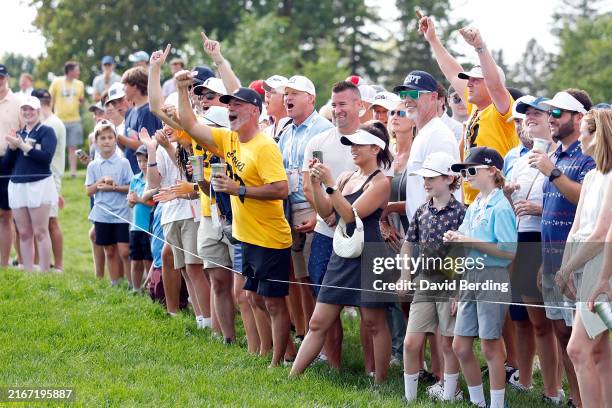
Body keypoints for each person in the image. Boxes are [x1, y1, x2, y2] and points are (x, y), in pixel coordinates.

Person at [177, 66, 292, 367]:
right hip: (245, 235)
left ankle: (278, 361)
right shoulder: (228, 140)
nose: (229, 109)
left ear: (254, 111)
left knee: (273, 302)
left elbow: (281, 189)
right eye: (227, 104)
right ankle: (273, 352)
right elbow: (189, 124)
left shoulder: (265, 146)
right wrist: (180, 90)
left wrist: (239, 190)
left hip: (270, 238)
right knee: (253, 298)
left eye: (237, 104)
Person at [291, 123, 393, 383]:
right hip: (344, 252)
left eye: (360, 144)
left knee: (374, 322)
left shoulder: (381, 182)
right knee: (318, 321)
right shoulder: (347, 176)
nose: (354, 149)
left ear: (376, 148)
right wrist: (316, 184)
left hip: (370, 254)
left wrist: (329, 184)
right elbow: (327, 213)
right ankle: (292, 378)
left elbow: (350, 215)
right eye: (352, 144)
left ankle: (380, 382)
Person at [530, 89, 595, 408]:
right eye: (549, 113)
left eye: (558, 113)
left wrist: (551, 172)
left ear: (579, 117)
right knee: (562, 334)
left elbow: (582, 198)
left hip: (581, 261)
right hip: (553, 257)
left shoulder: (590, 155)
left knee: (586, 341)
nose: (550, 119)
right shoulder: (554, 155)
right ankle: (577, 397)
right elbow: (551, 210)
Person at [444, 147, 517, 408]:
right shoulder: (475, 205)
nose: (466, 175)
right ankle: (478, 401)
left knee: (490, 345)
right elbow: (465, 243)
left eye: (471, 170)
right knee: (460, 346)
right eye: (463, 171)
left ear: (491, 170)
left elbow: (508, 251)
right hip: (469, 278)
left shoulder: (500, 206)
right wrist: (456, 239)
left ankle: (498, 404)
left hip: (492, 277)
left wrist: (468, 239)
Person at [418, 16, 518, 205]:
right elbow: (453, 72)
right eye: (469, 79)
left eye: (476, 80)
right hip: (473, 202)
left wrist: (480, 47)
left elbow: (495, 85)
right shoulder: (475, 108)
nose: (469, 84)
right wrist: (433, 39)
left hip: (497, 200)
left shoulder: (502, 110)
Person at [503, 96, 563, 400]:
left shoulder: (559, 155)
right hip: (517, 240)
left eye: (537, 113)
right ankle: (524, 381)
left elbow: (563, 199)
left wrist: (536, 209)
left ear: (551, 118)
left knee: (543, 322)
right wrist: (506, 191)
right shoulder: (518, 157)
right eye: (527, 114)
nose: (530, 118)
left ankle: (553, 389)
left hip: (542, 240)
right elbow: (508, 200)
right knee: (520, 318)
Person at [555, 109, 612, 408]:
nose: (581, 135)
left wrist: (570, 268)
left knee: (577, 349)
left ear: (598, 133)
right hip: (580, 261)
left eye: (585, 129)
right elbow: (576, 228)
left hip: (600, 263)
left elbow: (602, 232)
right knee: (599, 349)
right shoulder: (591, 177)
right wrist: (565, 269)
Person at [400, 152, 466, 403]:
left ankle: (451, 393)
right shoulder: (421, 212)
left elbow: (465, 254)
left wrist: (458, 291)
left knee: (448, 343)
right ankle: (409, 398)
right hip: (424, 281)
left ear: (449, 179)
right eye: (424, 178)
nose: (425, 183)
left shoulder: (461, 213)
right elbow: (408, 245)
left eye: (431, 178)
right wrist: (405, 275)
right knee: (411, 342)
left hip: (451, 283)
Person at [278, 75, 334, 338]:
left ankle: (325, 342)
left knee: (316, 279)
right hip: (289, 208)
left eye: (295, 93)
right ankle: (307, 336)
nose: (288, 97)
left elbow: (322, 176)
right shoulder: (286, 132)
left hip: (313, 207)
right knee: (299, 278)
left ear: (311, 98)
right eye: (286, 93)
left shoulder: (322, 128)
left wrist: (319, 214)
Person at [392, 70, 460, 221]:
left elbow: (441, 193)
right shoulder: (425, 133)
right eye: (403, 95)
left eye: (414, 94)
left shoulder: (438, 136)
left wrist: (419, 234)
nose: (407, 99)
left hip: (435, 232)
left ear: (434, 97)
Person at [3, 96, 57, 272]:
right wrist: (12, 148)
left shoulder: (46, 131)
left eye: (31, 109)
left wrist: (23, 146)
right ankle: (28, 270)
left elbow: (46, 158)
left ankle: (44, 271)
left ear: (38, 111)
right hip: (18, 185)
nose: (28, 113)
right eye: (24, 109)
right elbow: (7, 166)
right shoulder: (18, 134)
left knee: (40, 231)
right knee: (24, 232)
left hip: (39, 183)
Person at [85, 121, 132, 285]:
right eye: (102, 138)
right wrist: (99, 183)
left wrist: (114, 188)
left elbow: (130, 188)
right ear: (96, 142)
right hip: (102, 214)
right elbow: (89, 191)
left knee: (124, 250)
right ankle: (116, 283)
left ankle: (133, 284)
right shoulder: (93, 166)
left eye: (110, 137)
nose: (106, 141)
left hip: (122, 213)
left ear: (115, 139)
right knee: (109, 250)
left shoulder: (123, 162)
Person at [33, 88, 66, 272]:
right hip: (42, 177)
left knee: (51, 221)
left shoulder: (53, 124)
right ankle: (40, 262)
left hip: (51, 176)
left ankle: (58, 265)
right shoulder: (46, 122)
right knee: (40, 222)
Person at [0, 64, 23, 267]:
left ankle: (5, 262)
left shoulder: (17, 103)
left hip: (9, 160)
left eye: (1, 77)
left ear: (6, 78)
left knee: (7, 213)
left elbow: (25, 133)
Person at [122, 66, 163, 173]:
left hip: (145, 173)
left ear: (135, 86)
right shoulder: (129, 112)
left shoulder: (148, 112)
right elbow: (127, 147)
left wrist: (118, 138)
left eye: (125, 85)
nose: (123, 89)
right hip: (131, 172)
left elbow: (147, 146)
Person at [49, 60, 85, 178]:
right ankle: (54, 171)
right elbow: (50, 100)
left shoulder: (80, 84)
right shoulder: (56, 82)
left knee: (72, 147)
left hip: (75, 119)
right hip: (59, 120)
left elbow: (81, 100)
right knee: (56, 147)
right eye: (77, 70)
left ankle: (73, 172)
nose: (79, 72)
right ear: (70, 71)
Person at [127, 145, 153, 292]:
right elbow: (131, 202)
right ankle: (136, 289)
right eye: (139, 161)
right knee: (135, 260)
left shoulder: (154, 180)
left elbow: (153, 203)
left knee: (148, 260)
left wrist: (139, 200)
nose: (142, 164)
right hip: (135, 227)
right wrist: (131, 200)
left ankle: (151, 289)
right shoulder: (135, 179)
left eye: (145, 161)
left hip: (149, 227)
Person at [262, 75, 291, 141]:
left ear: (285, 98)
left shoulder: (294, 129)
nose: (266, 96)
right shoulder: (266, 131)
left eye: (272, 92)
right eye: (266, 92)